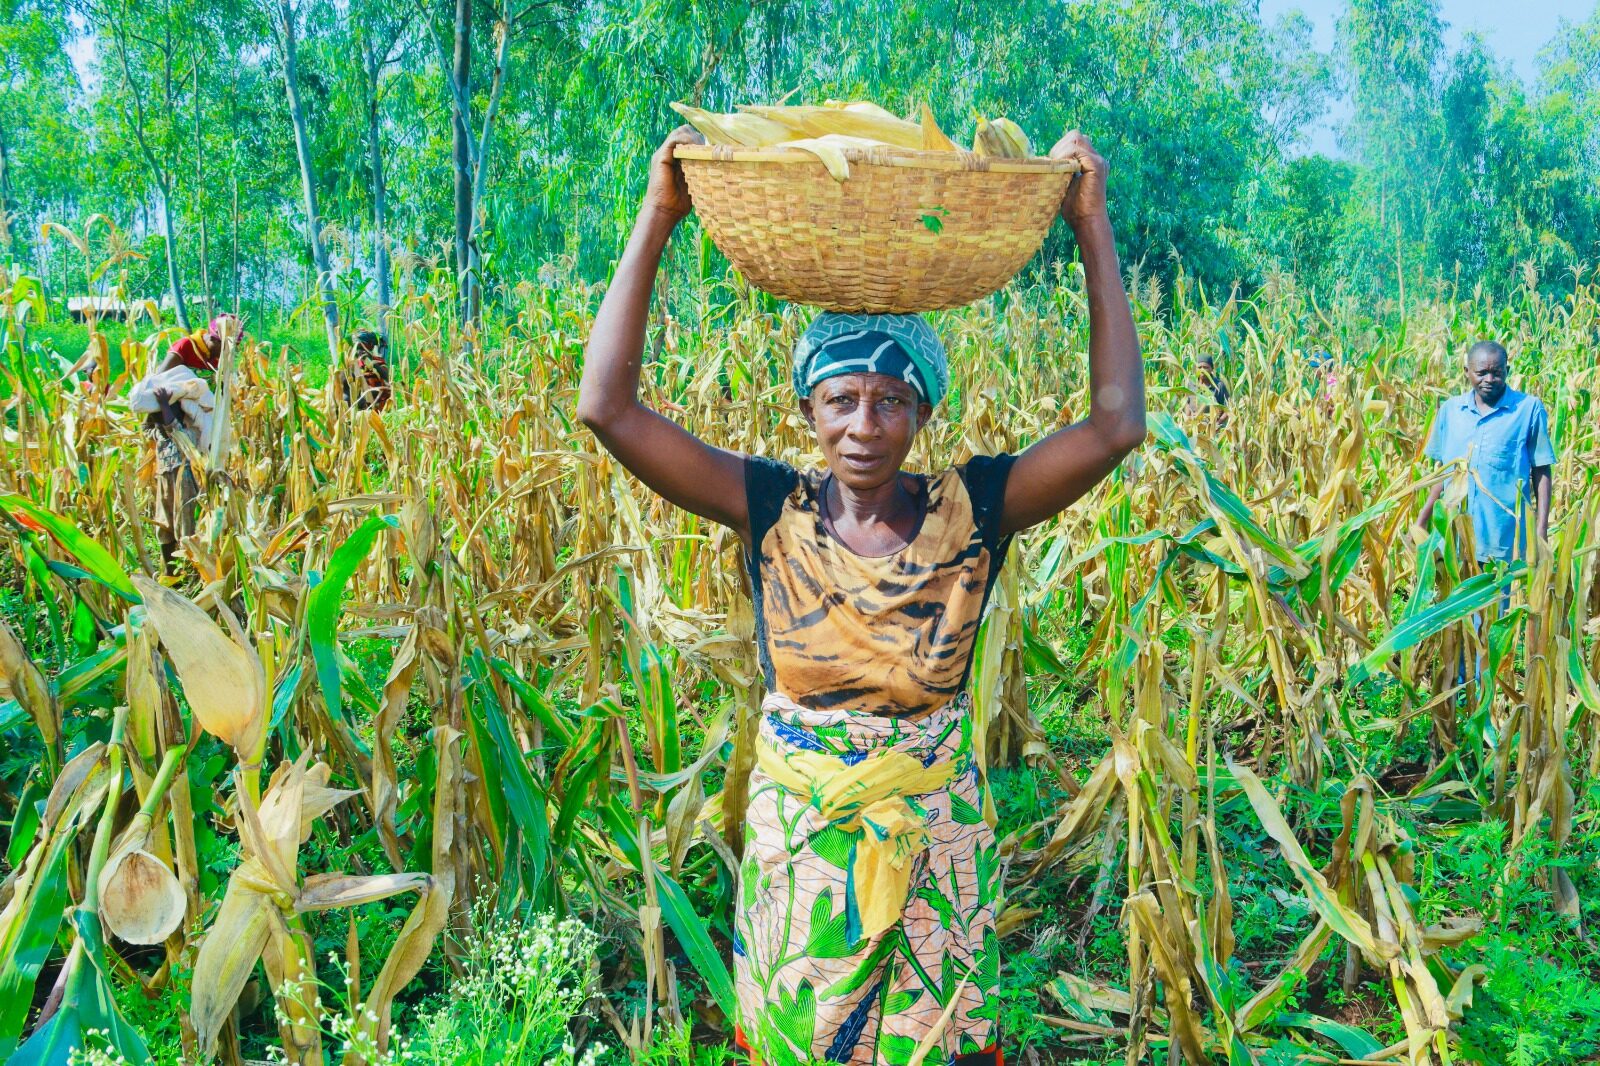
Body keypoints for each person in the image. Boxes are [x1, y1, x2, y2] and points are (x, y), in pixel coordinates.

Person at [578, 125, 1145, 1065]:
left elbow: (1115, 427)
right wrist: (658, 213)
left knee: (933, 1044)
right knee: (802, 1042)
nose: (864, 426)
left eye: (890, 401)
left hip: (933, 844)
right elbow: (607, 409)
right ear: (808, 410)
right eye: (841, 399)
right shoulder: (769, 506)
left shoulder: (976, 508)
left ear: (923, 411)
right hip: (804, 849)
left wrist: (1091, 222)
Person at [1414, 340, 1555, 561]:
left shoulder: (1528, 409)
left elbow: (1542, 470)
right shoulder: (1450, 411)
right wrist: (1421, 521)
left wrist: (1541, 530)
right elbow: (1444, 473)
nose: (1489, 379)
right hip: (1454, 541)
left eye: (1496, 373)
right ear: (1466, 371)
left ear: (1507, 371)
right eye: (1481, 373)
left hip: (1505, 543)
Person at [131, 316, 241, 570]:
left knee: (185, 517)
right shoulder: (185, 348)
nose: (226, 351)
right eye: (223, 344)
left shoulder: (193, 429)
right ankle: (173, 569)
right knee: (168, 517)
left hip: (189, 463)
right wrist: (164, 408)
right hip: (172, 463)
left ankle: (187, 567)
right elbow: (161, 383)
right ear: (212, 338)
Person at [339, 329, 392, 411]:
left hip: (376, 406)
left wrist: (369, 361)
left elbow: (386, 378)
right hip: (356, 409)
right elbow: (343, 384)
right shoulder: (350, 364)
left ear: (370, 346)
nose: (358, 349)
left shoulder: (378, 361)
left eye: (360, 346)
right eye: (356, 346)